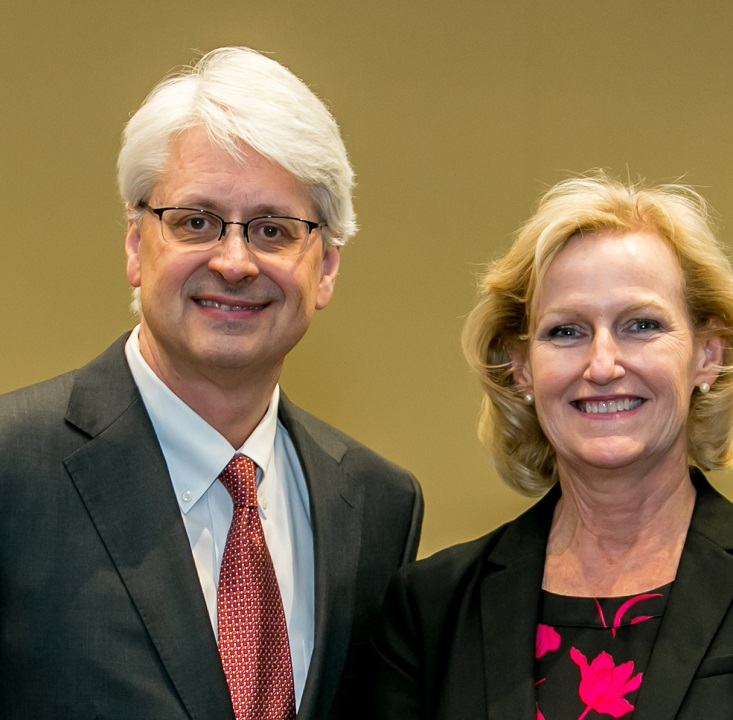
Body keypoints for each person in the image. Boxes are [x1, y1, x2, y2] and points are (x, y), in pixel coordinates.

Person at [0, 47, 423, 719]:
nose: (234, 261)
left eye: (273, 230)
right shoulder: (13, 469)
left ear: (328, 268)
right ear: (137, 244)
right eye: (196, 221)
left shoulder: (377, 506)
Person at [369, 174, 733, 718]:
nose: (603, 365)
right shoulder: (431, 609)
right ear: (521, 368)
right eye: (566, 331)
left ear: (708, 353)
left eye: (641, 325)